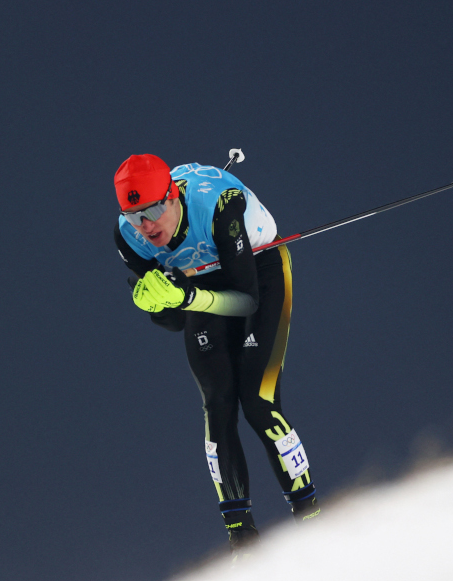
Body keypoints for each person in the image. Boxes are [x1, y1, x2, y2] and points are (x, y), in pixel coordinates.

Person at [112, 154, 319, 554]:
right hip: (200, 280)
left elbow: (246, 301)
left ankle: (310, 518)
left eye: (155, 209)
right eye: (136, 215)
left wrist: (186, 296)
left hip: (257, 269)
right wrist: (160, 303)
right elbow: (173, 323)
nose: (147, 225)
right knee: (218, 403)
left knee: (258, 401)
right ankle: (241, 538)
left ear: (173, 196)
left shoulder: (221, 206)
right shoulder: (127, 235)